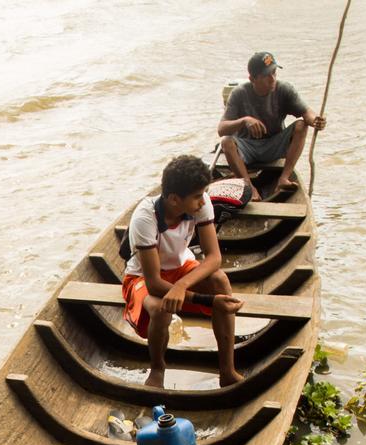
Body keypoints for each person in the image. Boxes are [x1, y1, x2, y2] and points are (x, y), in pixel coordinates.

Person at [123, 154, 242, 389]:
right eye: (197, 196)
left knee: (220, 281)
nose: (203, 200)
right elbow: (155, 283)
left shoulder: (200, 202)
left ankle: (227, 370)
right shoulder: (145, 218)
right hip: (142, 276)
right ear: (175, 199)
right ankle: (157, 368)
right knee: (160, 308)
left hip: (180, 269)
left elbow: (214, 257)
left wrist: (181, 286)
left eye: (203, 194)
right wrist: (206, 300)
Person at [217, 51, 327, 201]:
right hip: (248, 149)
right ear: (253, 79)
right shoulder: (239, 94)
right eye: (266, 75)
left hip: (273, 145)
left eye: (274, 73)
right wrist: (245, 120)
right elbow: (221, 129)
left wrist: (316, 121)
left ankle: (283, 179)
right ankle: (249, 187)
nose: (272, 78)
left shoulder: (284, 89)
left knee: (302, 125)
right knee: (226, 142)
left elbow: (306, 112)